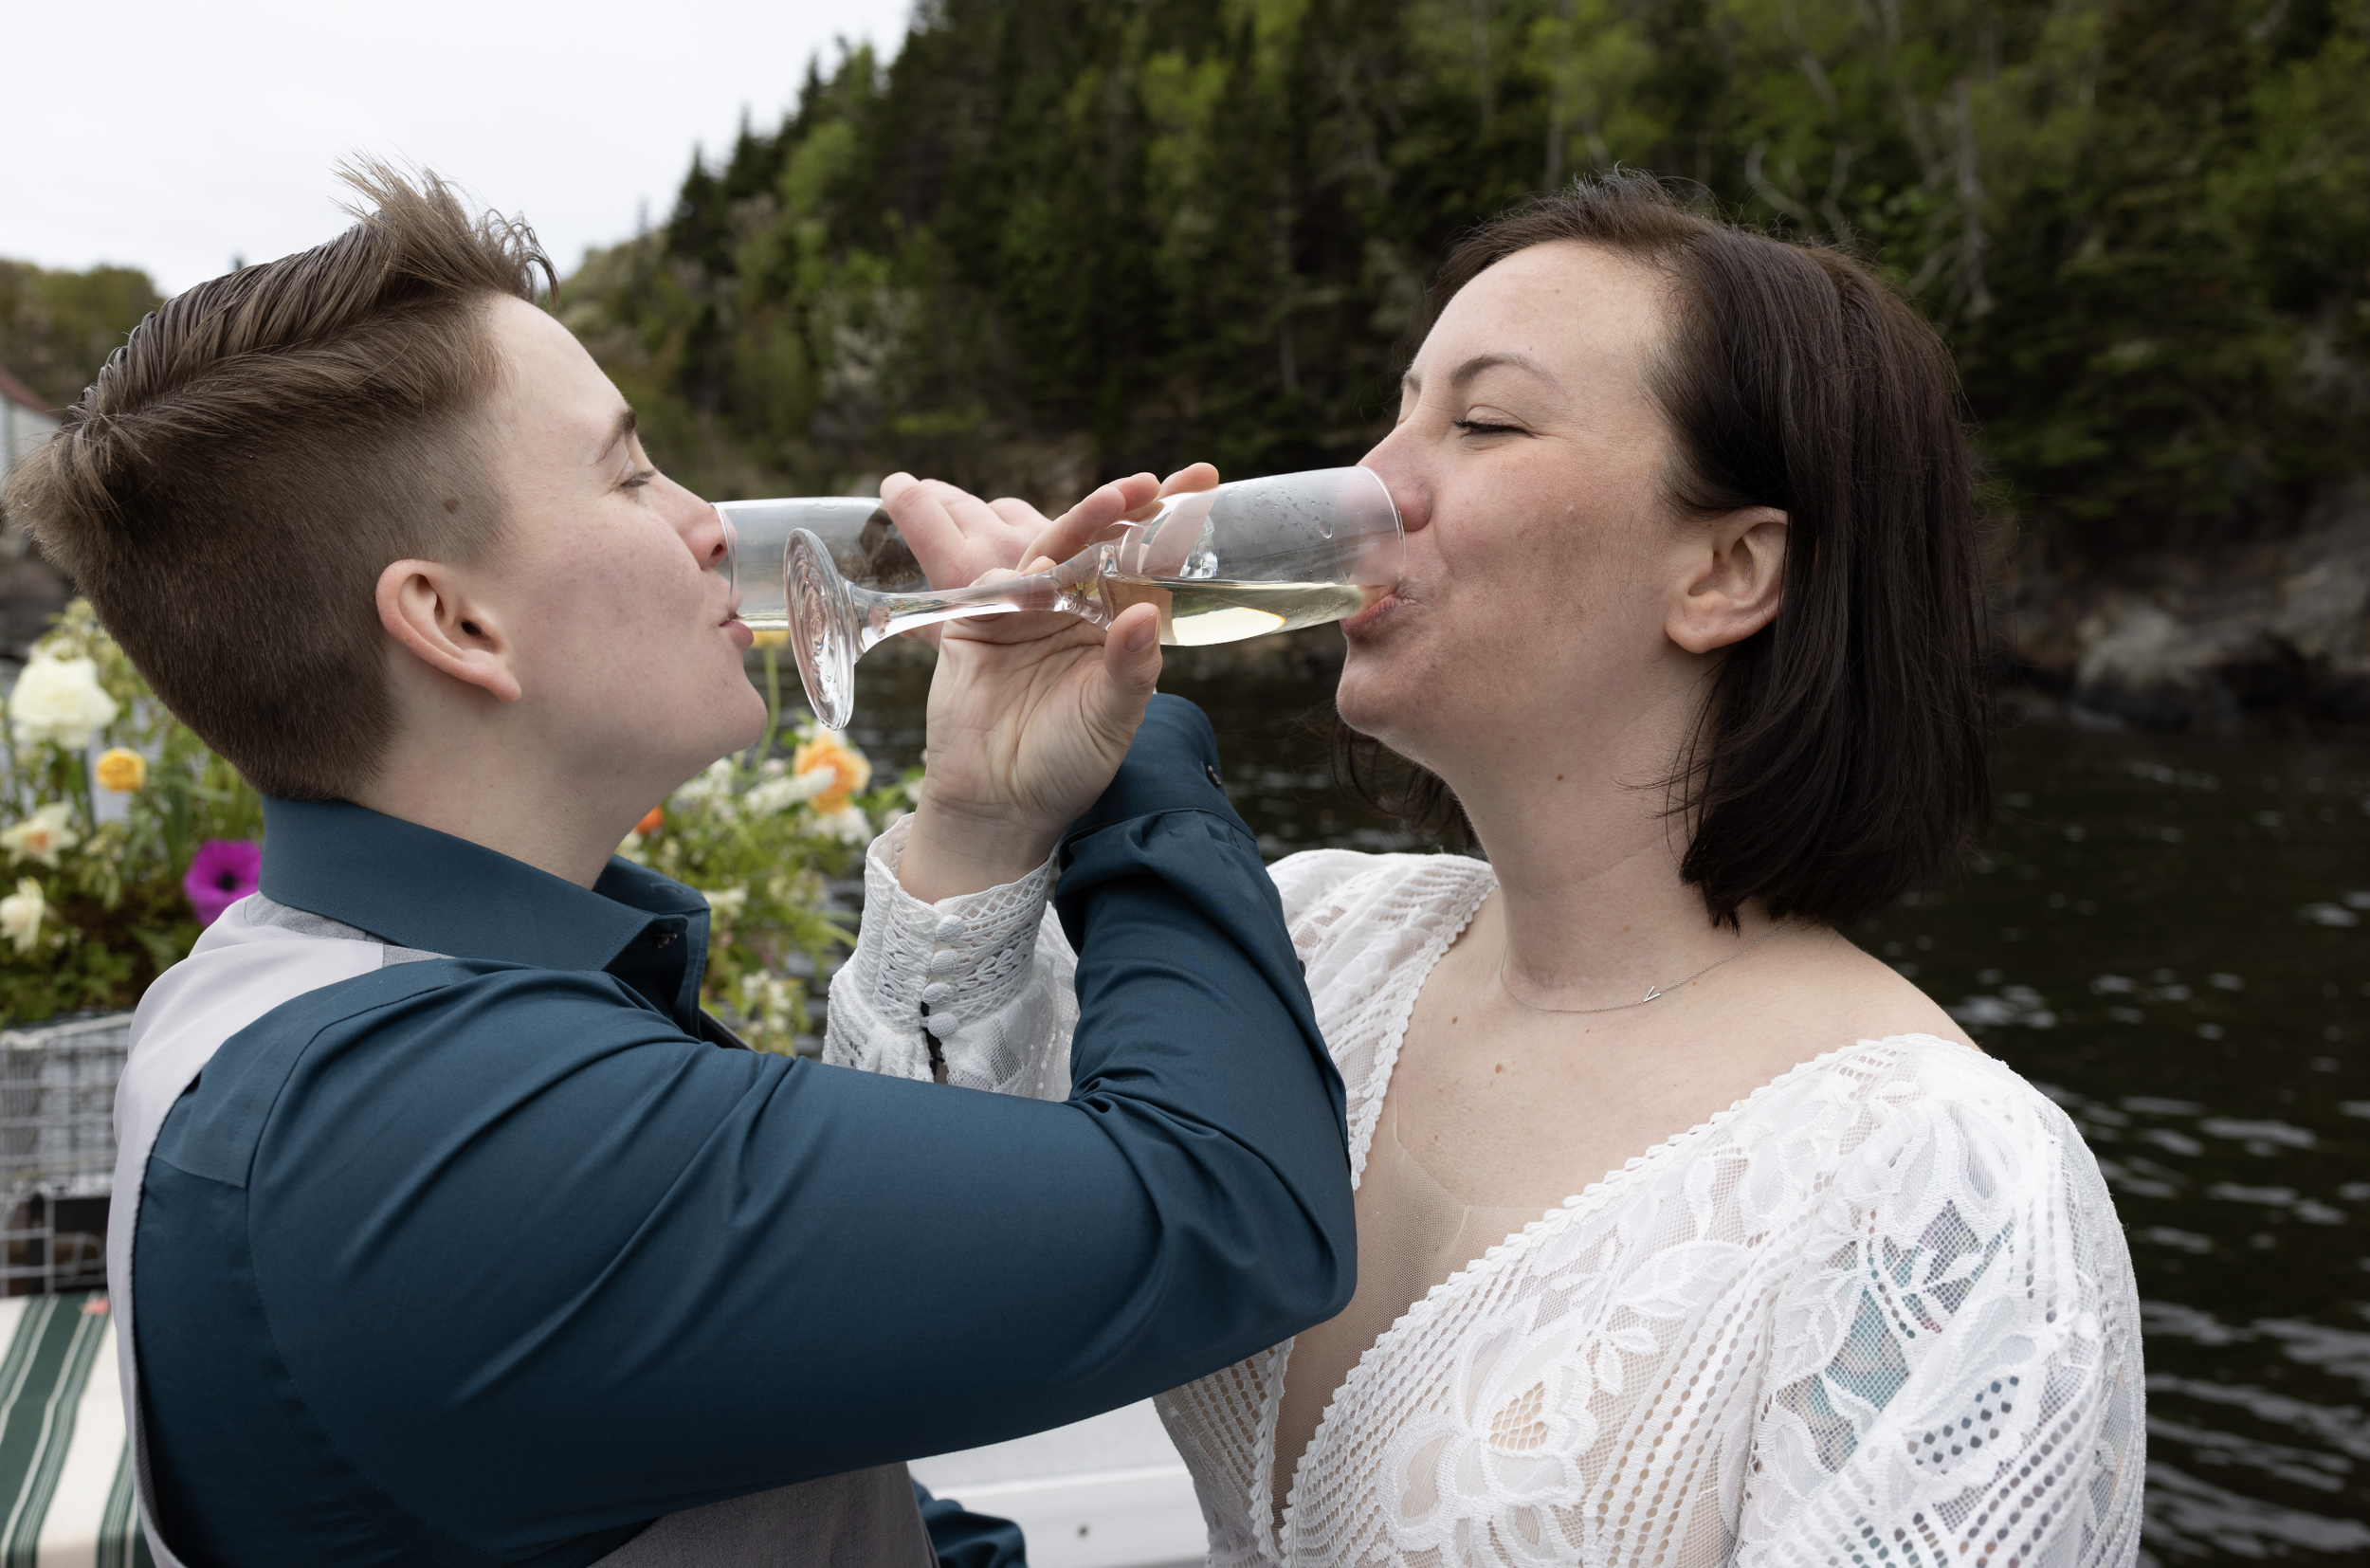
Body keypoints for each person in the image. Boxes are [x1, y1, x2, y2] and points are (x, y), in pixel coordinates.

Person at [1, 163, 1358, 1567]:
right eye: (631, 469)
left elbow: (709, 1451)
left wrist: (991, 810)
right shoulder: (436, 1132)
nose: (711, 519)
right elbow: (1231, 1210)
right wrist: (1131, 705)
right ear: (455, 620)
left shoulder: (290, 999)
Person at [833, 172, 2144, 1567]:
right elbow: (876, 1287)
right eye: (1397, 411)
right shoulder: (1310, 937)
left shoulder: (1942, 1190)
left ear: (1727, 571)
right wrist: (984, 813)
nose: (1372, 484)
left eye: (1483, 421)